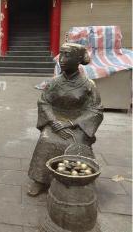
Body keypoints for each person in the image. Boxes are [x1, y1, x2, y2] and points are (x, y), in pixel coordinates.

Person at [27, 43, 103, 196]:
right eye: (61, 54)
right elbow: (44, 102)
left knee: (77, 143)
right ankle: (40, 180)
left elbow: (96, 109)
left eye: (67, 55)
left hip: (78, 123)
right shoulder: (54, 82)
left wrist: (71, 123)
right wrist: (53, 122)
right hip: (54, 121)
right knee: (46, 140)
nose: (62, 59)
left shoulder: (88, 85)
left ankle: (74, 180)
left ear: (78, 59)